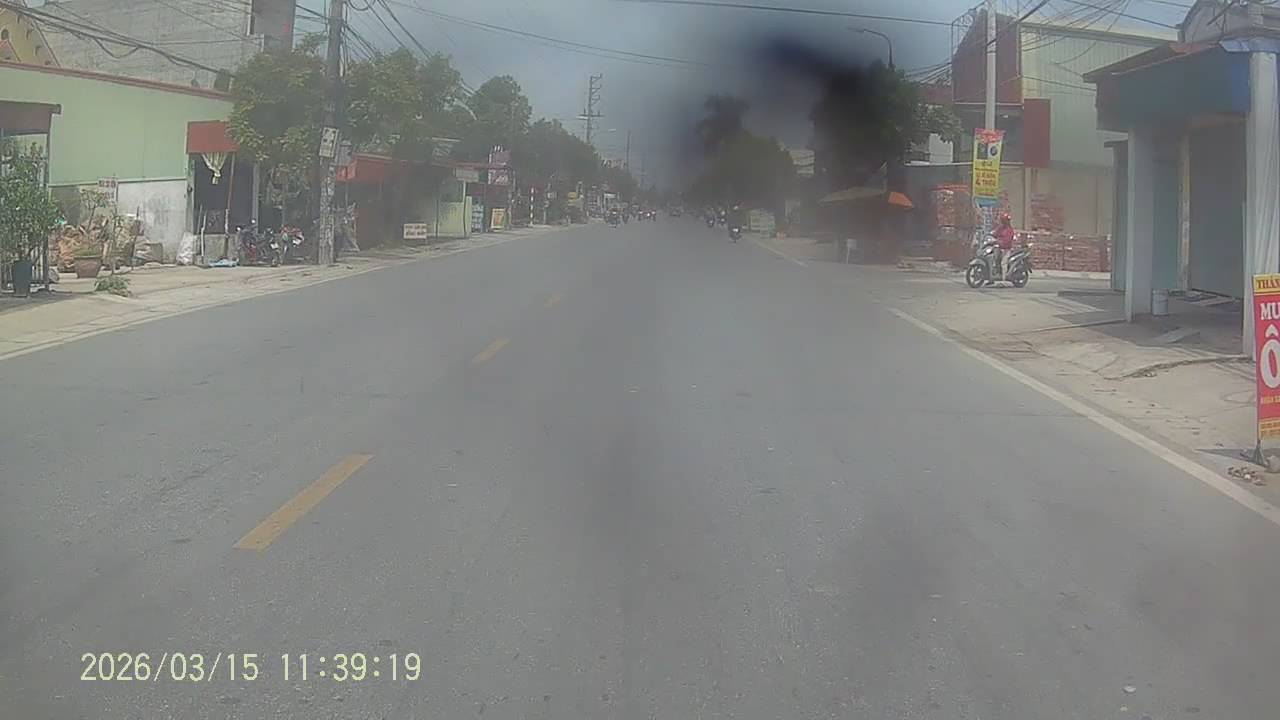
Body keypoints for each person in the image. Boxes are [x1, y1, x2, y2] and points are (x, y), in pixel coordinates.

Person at [992, 213, 1016, 282]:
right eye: (1003, 220)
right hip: (999, 248)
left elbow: (1008, 240)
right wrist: (992, 236)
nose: (1004, 222)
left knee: (1003, 263)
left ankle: (1004, 279)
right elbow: (995, 233)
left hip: (1006, 249)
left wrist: (1001, 242)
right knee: (994, 259)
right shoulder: (1000, 228)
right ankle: (995, 274)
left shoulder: (1009, 230)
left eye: (1005, 220)